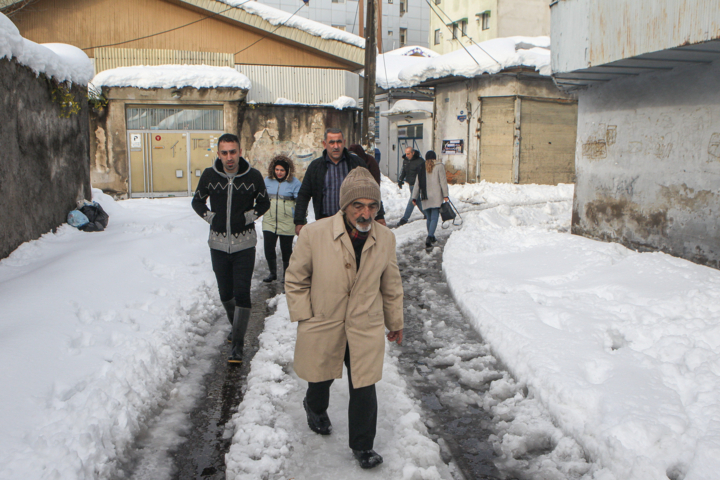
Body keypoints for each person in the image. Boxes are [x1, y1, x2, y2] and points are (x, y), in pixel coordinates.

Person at [285, 167, 404, 470]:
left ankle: (363, 446)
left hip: (365, 323)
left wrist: (395, 323)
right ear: (345, 206)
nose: (366, 213)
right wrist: (304, 316)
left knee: (364, 384)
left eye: (372, 206)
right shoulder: (315, 234)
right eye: (358, 206)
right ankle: (314, 407)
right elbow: (296, 279)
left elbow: (391, 286)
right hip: (325, 319)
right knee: (322, 374)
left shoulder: (385, 239)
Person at [191, 133, 270, 364]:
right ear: (218, 154)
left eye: (232, 152)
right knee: (225, 293)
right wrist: (210, 217)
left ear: (240, 151)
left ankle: (237, 345)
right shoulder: (209, 175)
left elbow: (264, 202)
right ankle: (235, 327)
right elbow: (197, 201)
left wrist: (249, 216)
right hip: (217, 243)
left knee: (242, 291)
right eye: (224, 152)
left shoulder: (253, 176)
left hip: (244, 243)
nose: (229, 157)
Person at [294, 128, 385, 235]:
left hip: (351, 223)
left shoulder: (356, 163)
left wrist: (379, 216)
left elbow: (371, 190)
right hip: (325, 223)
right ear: (324, 144)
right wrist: (299, 220)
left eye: (339, 142)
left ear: (344, 143)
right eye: (332, 142)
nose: (336, 146)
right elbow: (304, 194)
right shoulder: (315, 167)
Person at [261, 155, 301, 283]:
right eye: (277, 169)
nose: (279, 172)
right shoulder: (267, 181)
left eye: (282, 170)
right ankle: (272, 273)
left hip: (287, 221)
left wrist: (300, 220)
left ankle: (286, 274)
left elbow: (300, 203)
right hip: (269, 220)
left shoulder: (295, 183)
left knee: (286, 250)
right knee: (268, 248)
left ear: (287, 171)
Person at [412, 150, 448, 248]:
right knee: (434, 217)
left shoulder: (421, 167)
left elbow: (417, 184)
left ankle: (431, 237)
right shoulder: (439, 166)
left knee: (429, 217)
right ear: (435, 157)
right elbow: (443, 182)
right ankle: (430, 236)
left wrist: (414, 197)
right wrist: (445, 195)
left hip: (425, 195)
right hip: (436, 196)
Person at [396, 147, 426, 226]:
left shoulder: (420, 161)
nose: (407, 155)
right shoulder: (406, 160)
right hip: (411, 184)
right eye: (406, 153)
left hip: (418, 185)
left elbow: (424, 174)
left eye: (408, 153)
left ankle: (404, 219)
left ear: (413, 153)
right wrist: (400, 180)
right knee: (417, 200)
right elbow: (403, 171)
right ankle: (427, 214)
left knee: (412, 200)